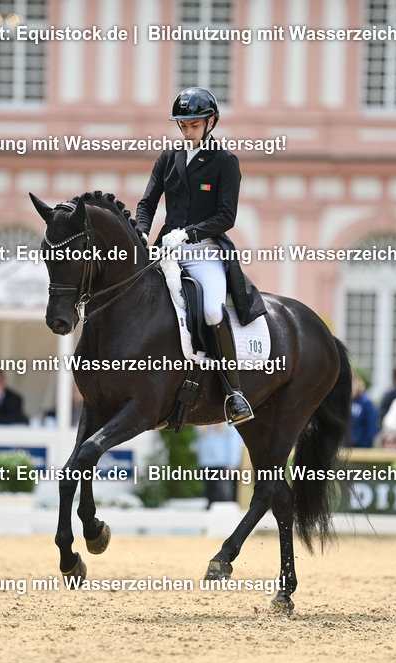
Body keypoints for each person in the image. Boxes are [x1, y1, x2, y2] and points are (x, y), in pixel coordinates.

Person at [135, 86, 266, 425]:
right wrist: (140, 231)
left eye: (193, 124)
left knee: (210, 309)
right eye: (182, 125)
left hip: (204, 250)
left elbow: (227, 216)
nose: (187, 131)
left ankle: (233, 392)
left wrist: (189, 233)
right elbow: (147, 203)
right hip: (166, 250)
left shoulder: (225, 162)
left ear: (210, 123)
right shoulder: (169, 157)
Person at [194, 423, 244, 508]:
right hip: (206, 463)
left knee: (225, 496)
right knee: (210, 496)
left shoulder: (227, 419)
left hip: (224, 464)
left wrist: (233, 463)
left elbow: (234, 441)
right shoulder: (202, 419)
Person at [349, 374, 379, 448]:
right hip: (344, 447)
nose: (352, 387)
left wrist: (366, 445)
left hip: (361, 447)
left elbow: (372, 428)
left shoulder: (366, 403)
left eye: (354, 382)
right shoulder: (341, 403)